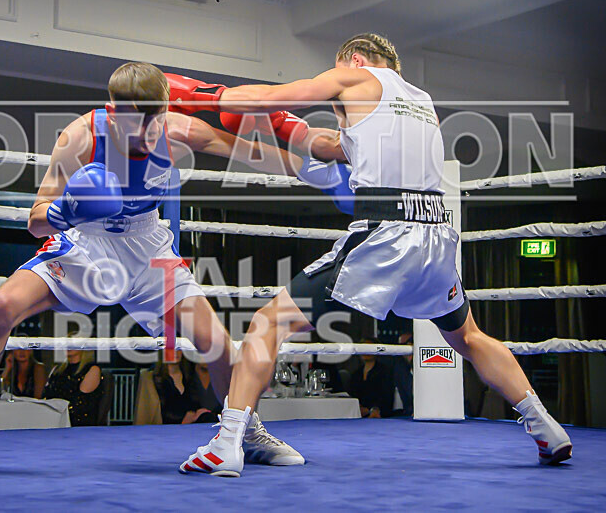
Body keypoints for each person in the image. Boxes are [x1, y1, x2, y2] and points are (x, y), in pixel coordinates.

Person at [0, 61, 305, 476]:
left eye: (158, 122)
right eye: (140, 124)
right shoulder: (80, 136)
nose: (151, 134)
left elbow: (246, 150)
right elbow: (36, 219)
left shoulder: (180, 128)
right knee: (0, 307)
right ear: (114, 112)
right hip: (87, 242)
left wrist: (314, 165)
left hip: (148, 247)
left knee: (219, 345)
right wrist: (64, 212)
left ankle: (245, 430)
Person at [174, 33, 572, 475]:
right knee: (468, 337)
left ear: (356, 59)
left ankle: (228, 442)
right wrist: (288, 129)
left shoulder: (353, 75)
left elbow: (266, 97)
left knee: (268, 321)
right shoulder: (422, 102)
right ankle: (546, 428)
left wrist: (199, 96)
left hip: (386, 231)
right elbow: (331, 146)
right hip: (437, 235)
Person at [43, 347, 104, 426]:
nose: (69, 346)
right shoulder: (57, 370)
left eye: (73, 344)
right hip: (54, 416)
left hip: (77, 421)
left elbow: (80, 403)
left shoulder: (92, 369)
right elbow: (47, 395)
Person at [153, 351, 217, 425]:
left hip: (194, 421)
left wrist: (198, 413)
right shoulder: (157, 379)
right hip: (171, 426)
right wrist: (186, 418)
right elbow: (163, 410)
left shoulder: (189, 374)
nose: (176, 352)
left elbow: (195, 401)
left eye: (178, 348)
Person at [348, 338, 395, 418]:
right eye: (364, 349)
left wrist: (371, 409)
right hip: (356, 414)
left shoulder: (384, 371)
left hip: (379, 415)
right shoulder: (356, 373)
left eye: (370, 348)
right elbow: (352, 394)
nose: (366, 352)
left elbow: (386, 397)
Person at [392, 332, 414, 417]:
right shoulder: (399, 369)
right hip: (408, 414)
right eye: (402, 345)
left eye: (410, 342)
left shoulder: (429, 365)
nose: (406, 346)